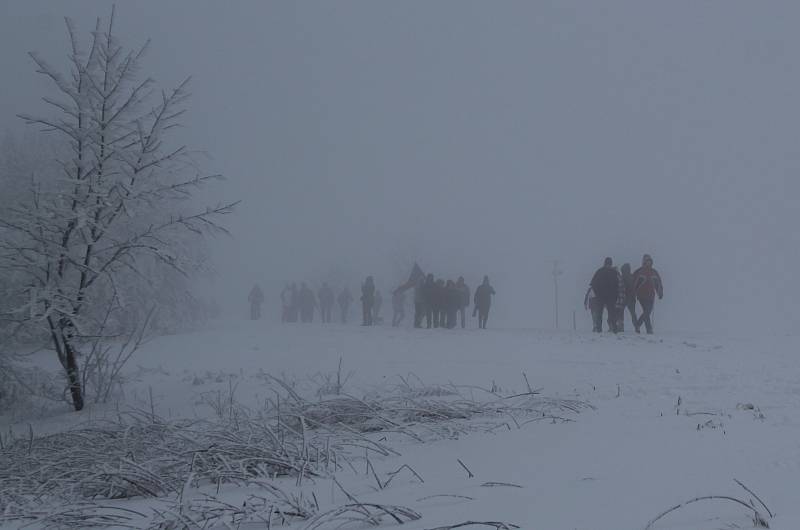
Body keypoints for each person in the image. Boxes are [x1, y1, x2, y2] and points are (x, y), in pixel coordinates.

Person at [632, 254, 663, 334]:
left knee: (647, 311)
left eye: (650, 261)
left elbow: (658, 283)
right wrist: (633, 293)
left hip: (651, 296)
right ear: (644, 262)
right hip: (641, 295)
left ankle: (640, 326)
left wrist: (660, 293)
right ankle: (647, 328)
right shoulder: (640, 271)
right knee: (647, 311)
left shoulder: (654, 272)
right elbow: (635, 283)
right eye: (647, 261)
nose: (648, 263)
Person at [590, 258, 620, 333]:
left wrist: (597, 293)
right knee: (610, 313)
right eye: (608, 263)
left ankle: (601, 329)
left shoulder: (600, 271)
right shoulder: (613, 272)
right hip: (608, 297)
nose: (609, 265)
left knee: (603, 313)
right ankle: (613, 329)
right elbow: (617, 285)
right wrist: (616, 295)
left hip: (604, 297)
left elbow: (593, 284)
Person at [620, 263, 637, 330]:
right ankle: (636, 326)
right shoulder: (632, 277)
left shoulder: (621, 277)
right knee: (633, 313)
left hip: (623, 297)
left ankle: (621, 326)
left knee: (621, 312)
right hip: (631, 297)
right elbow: (634, 287)